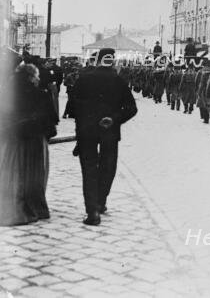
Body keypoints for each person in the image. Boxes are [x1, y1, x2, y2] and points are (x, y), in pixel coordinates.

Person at [72, 48, 137, 225]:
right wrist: (114, 119)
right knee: (108, 167)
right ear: (112, 61)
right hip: (110, 130)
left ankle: (92, 211)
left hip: (86, 132)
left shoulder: (83, 79)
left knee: (89, 170)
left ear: (96, 61)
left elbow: (72, 107)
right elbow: (132, 109)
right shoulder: (118, 80)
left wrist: (85, 123)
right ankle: (101, 201)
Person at [0, 63, 58, 226]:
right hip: (34, 140)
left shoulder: (6, 93)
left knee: (13, 172)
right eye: (37, 76)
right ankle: (35, 207)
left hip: (11, 139)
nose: (38, 79)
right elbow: (50, 120)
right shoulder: (41, 94)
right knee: (34, 174)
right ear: (32, 77)